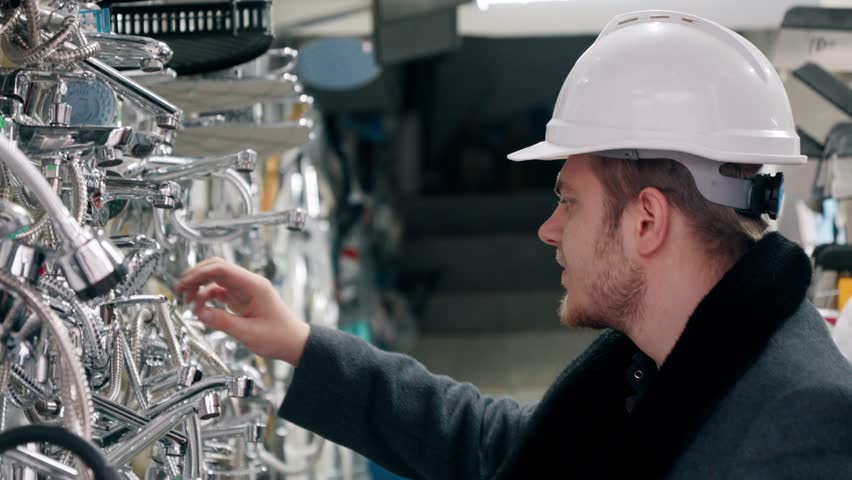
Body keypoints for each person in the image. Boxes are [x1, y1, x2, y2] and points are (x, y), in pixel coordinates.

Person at [175, 10, 852, 479]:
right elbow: (504, 449)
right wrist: (299, 343)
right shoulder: (665, 369)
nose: (549, 229)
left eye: (568, 199)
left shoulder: (800, 421)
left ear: (647, 221)